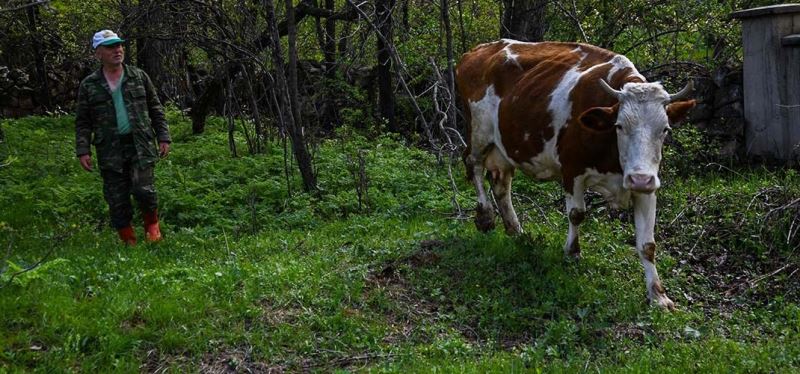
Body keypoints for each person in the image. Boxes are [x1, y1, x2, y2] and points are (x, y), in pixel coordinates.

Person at [75, 30, 171, 246]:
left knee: (144, 190)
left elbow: (156, 108)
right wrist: (83, 150)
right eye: (110, 47)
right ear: (98, 52)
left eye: (119, 45)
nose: (117, 50)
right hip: (109, 148)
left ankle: (152, 229)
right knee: (116, 198)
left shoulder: (138, 76)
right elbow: (83, 121)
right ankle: (128, 241)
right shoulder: (89, 85)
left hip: (140, 143)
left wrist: (163, 136)